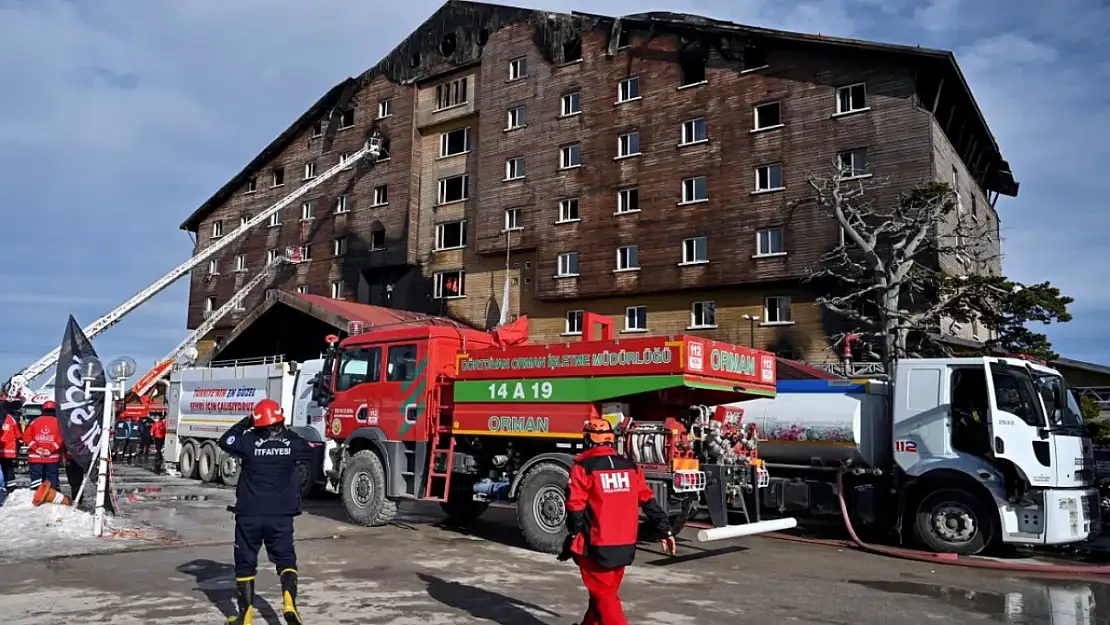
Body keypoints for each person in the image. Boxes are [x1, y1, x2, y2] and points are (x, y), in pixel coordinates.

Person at [559, 417, 677, 625]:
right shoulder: (630, 467)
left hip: (597, 546)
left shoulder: (583, 467)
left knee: (605, 598)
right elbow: (648, 501)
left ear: (588, 440)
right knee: (602, 596)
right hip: (625, 546)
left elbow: (575, 507)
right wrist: (666, 531)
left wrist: (573, 535)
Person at [218, 398, 314, 625]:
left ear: (258, 422)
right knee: (285, 559)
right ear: (280, 419)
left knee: (245, 562)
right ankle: (289, 604)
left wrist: (246, 422)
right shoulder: (292, 443)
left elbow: (225, 440)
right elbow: (310, 451)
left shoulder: (248, 441)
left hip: (249, 514)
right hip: (281, 515)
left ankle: (245, 616)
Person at [22, 400, 63, 490]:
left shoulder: (34, 422)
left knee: (36, 482)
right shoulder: (59, 423)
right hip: (52, 458)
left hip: (36, 458)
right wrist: (50, 450)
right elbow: (61, 439)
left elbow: (26, 437)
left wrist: (36, 449)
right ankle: (50, 499)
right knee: (51, 482)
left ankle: (36, 499)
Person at [0, 397, 21, 493]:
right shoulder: (11, 419)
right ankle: (11, 488)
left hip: (4, 449)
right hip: (8, 451)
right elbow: (18, 435)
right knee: (8, 469)